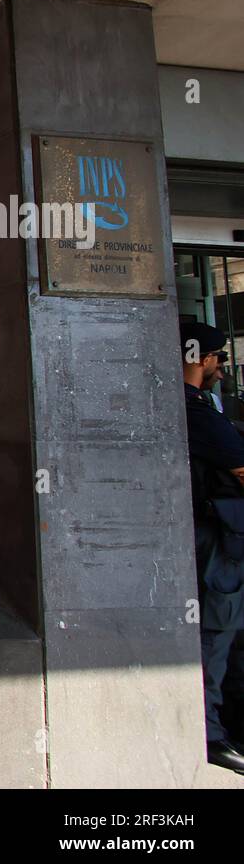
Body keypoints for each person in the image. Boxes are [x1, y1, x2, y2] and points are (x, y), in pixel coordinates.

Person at [182, 320, 244, 773]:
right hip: (213, 540)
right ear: (200, 358)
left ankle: (220, 727)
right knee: (216, 634)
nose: (221, 365)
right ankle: (211, 734)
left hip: (217, 536)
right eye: (217, 356)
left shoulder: (200, 404)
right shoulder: (192, 408)